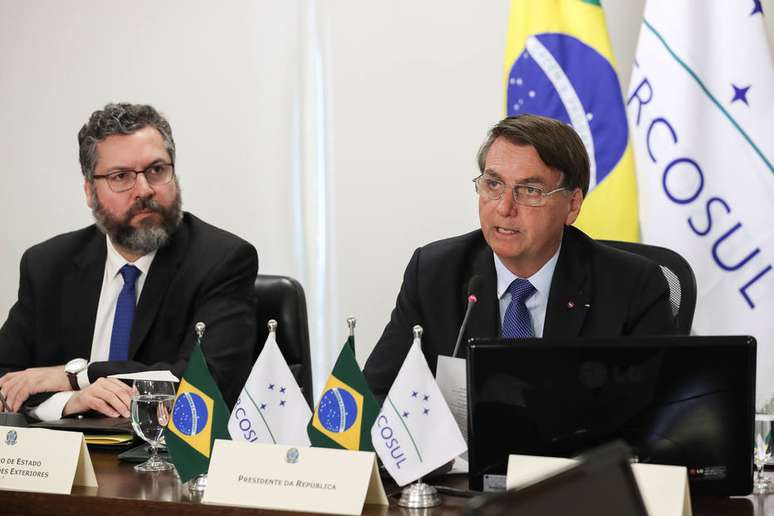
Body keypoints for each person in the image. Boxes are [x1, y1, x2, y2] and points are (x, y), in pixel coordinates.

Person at [364, 114, 677, 398]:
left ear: (572, 205)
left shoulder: (632, 286)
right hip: (462, 461)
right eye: (493, 184)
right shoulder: (434, 273)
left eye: (530, 191)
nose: (504, 207)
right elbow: (375, 395)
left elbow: (660, 412)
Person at [0, 103, 257, 421]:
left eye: (157, 170)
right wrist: (69, 402)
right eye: (121, 176)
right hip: (63, 458)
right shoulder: (48, 265)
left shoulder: (221, 260)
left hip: (162, 461)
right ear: (90, 192)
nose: (145, 189)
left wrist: (77, 376)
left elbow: (203, 387)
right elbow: (7, 380)